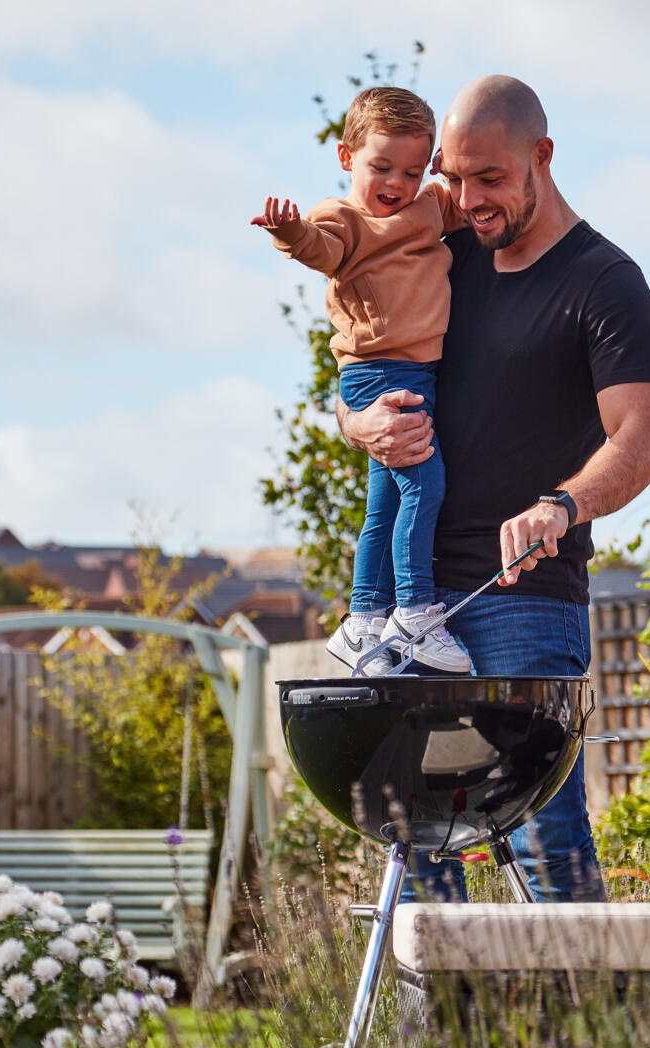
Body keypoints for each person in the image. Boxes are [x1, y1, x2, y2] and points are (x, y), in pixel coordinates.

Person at [336, 76, 650, 903]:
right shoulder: (441, 257)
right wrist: (357, 427)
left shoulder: (604, 280)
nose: (465, 198)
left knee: (546, 837)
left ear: (541, 158)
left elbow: (642, 440)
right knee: (414, 838)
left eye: (488, 177)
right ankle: (445, 1036)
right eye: (452, 176)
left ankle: (584, 1030)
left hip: (526, 596)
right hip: (413, 607)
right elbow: (359, 378)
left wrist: (563, 505)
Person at [252, 86, 473, 676]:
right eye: (381, 167)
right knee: (425, 486)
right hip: (376, 375)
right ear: (347, 156)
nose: (395, 183)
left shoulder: (425, 207)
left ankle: (363, 619)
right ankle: (415, 611)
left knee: (385, 505)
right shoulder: (343, 218)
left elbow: (462, 195)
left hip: (416, 372)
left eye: (411, 169)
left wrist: (454, 163)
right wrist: (290, 230)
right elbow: (320, 250)